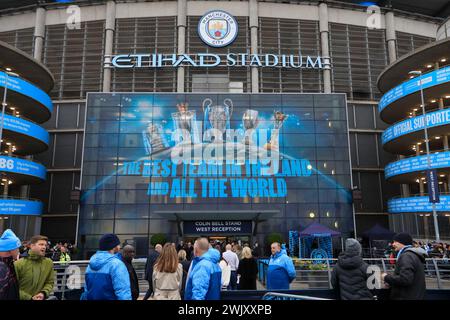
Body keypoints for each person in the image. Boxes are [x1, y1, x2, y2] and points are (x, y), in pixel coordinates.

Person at [81, 233, 131, 300]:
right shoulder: (117, 264)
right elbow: (123, 293)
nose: (119, 247)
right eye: (118, 244)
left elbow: (87, 291)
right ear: (113, 247)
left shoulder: (90, 265)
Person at [382, 232, 427, 300]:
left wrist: (386, 277)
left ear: (402, 242)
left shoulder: (406, 256)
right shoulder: (414, 255)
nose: (393, 244)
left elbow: (405, 279)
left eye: (395, 242)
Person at [14, 235, 55, 300]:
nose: (44, 247)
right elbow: (12, 288)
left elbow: (50, 282)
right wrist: (29, 298)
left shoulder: (49, 263)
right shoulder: (18, 264)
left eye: (45, 245)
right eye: (41, 244)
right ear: (32, 246)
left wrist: (43, 293)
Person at [0, 229, 21, 300]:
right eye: (17, 248)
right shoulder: (2, 267)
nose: (19, 251)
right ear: (11, 249)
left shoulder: (8, 264)